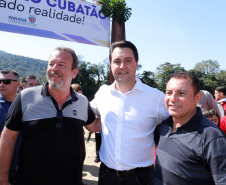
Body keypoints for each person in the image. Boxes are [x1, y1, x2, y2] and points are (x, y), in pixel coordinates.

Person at [0, 47, 95, 185]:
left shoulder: (82, 101)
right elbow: (8, 138)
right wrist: (3, 180)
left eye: (61, 65)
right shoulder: (26, 96)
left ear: (74, 72)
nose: (54, 68)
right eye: (51, 64)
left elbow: (95, 126)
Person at [86, 40, 169, 185]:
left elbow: (173, 130)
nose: (122, 66)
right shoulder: (103, 93)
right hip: (107, 176)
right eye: (117, 61)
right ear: (110, 65)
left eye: (128, 60)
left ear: (137, 63)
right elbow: (90, 120)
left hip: (141, 178)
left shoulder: (156, 97)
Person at [154, 70, 226, 185]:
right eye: (169, 92)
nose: (172, 99)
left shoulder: (212, 138)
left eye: (181, 93)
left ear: (197, 98)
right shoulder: (163, 127)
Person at [0, 70, 20, 183]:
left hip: (23, 171)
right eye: (0, 81)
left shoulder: (27, 105)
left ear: (17, 84)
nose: (1, 84)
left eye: (6, 81)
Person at [71, 83, 87, 185]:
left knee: (81, 157)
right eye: (77, 94)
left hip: (79, 135)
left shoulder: (82, 104)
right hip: (69, 138)